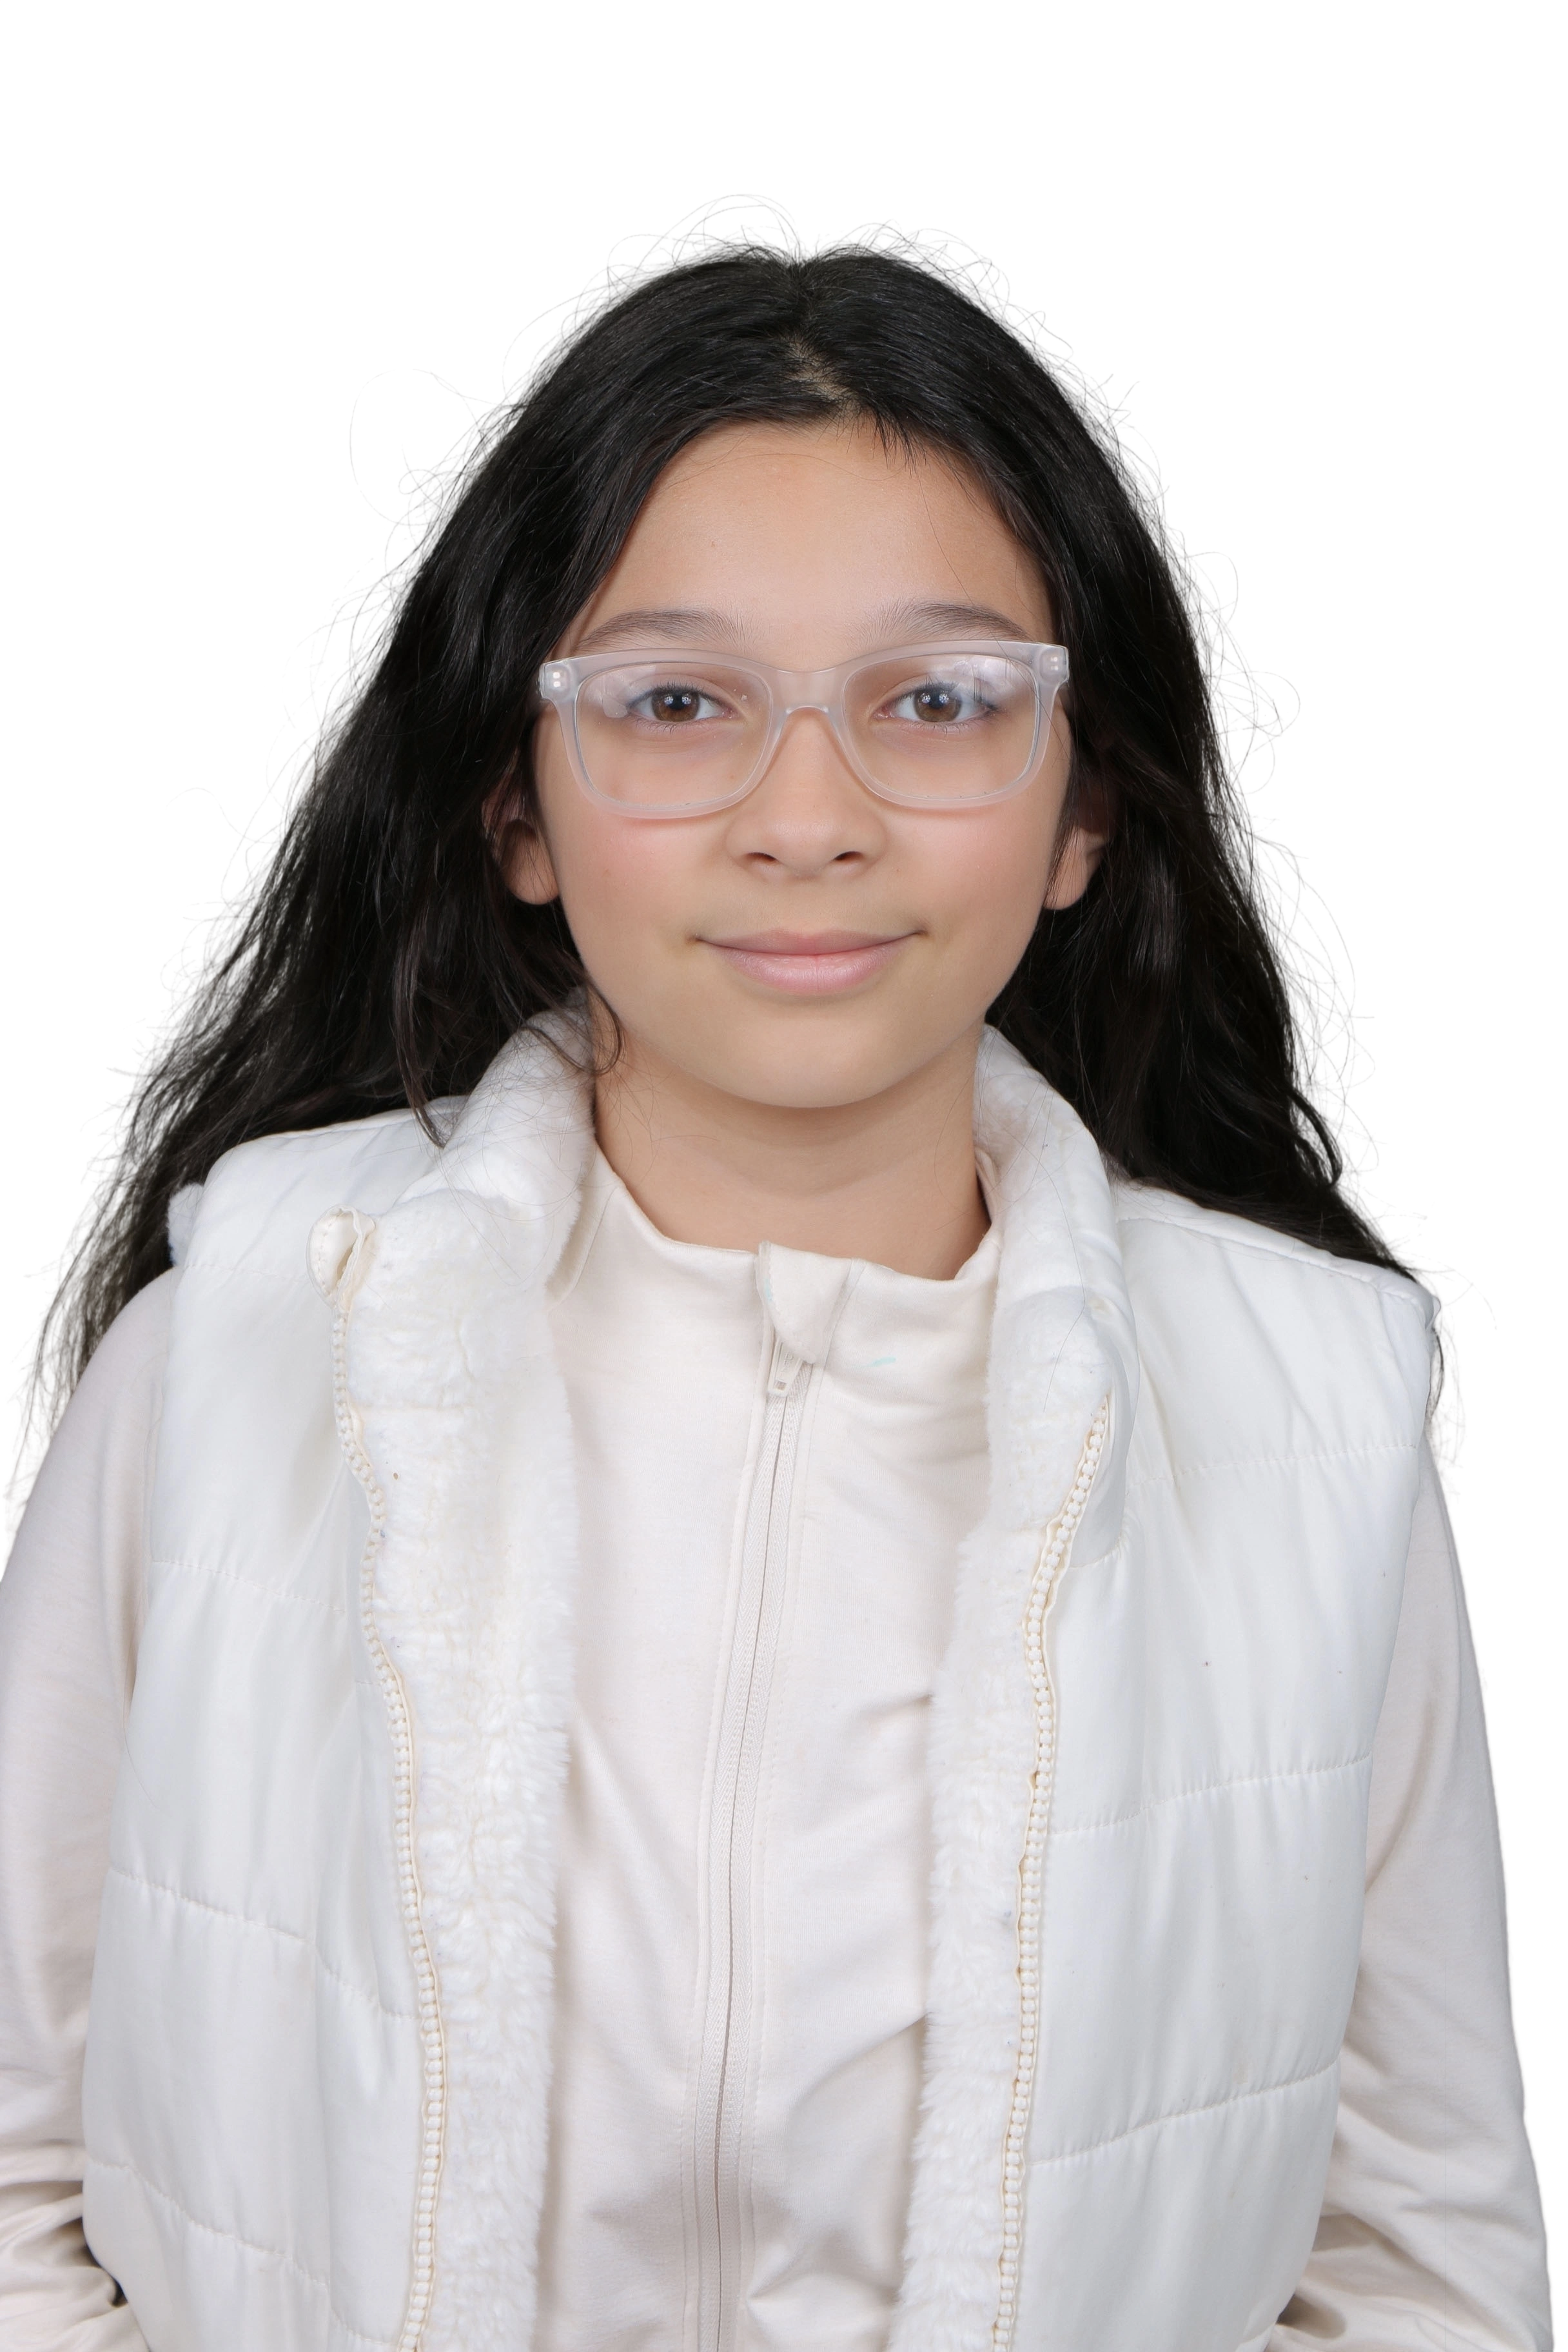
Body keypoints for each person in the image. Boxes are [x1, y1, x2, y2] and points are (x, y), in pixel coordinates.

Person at [0, 191, 1551, 2352]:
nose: (806, 817)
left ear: (1084, 807)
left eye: (936, 699)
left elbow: (1421, 2272)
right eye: (673, 700)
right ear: (515, 802)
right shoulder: (238, 1354)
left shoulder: (1308, 1425)